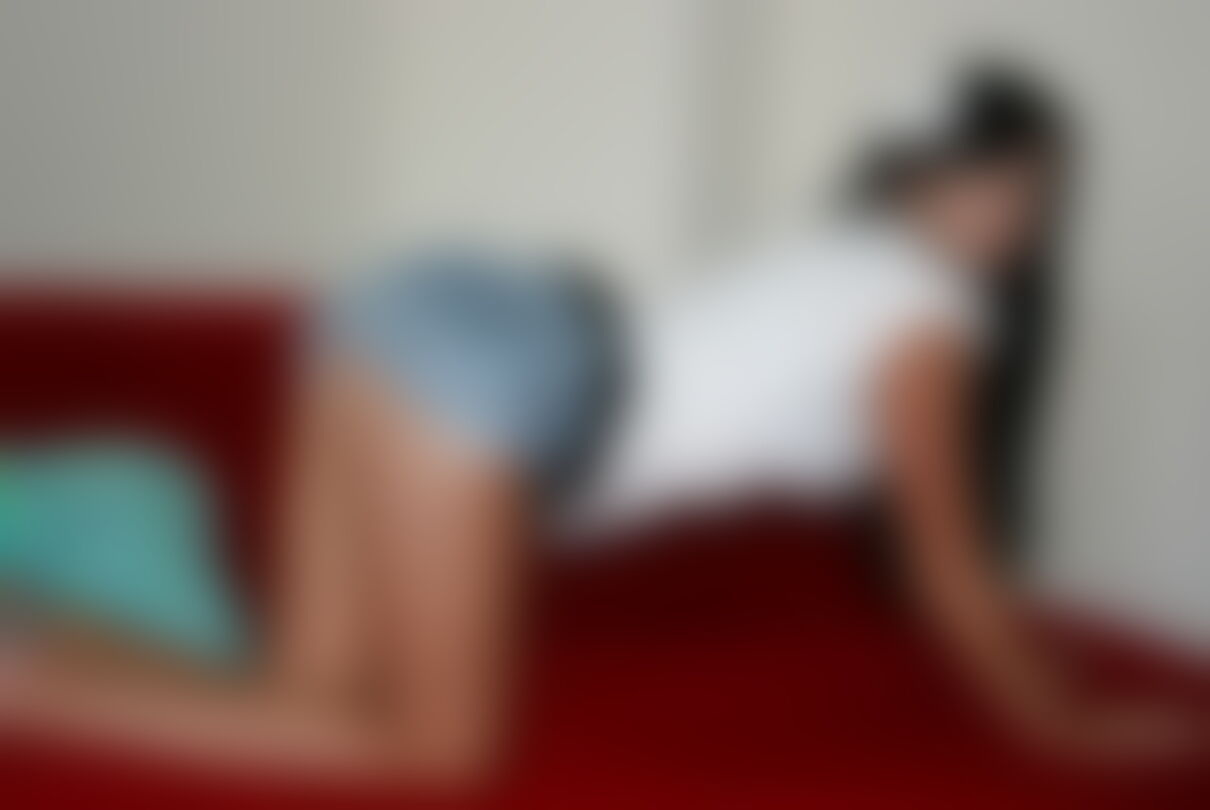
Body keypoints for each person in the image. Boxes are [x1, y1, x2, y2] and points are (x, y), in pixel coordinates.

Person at [0, 61, 1196, 784]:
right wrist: (1067, 728)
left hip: (402, 306)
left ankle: (27, 638)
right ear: (918, 180)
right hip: (515, 364)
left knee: (312, 697)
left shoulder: (839, 255)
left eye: (1031, 194)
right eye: (998, 184)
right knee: (435, 756)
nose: (1010, 219)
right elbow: (953, 572)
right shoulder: (931, 310)